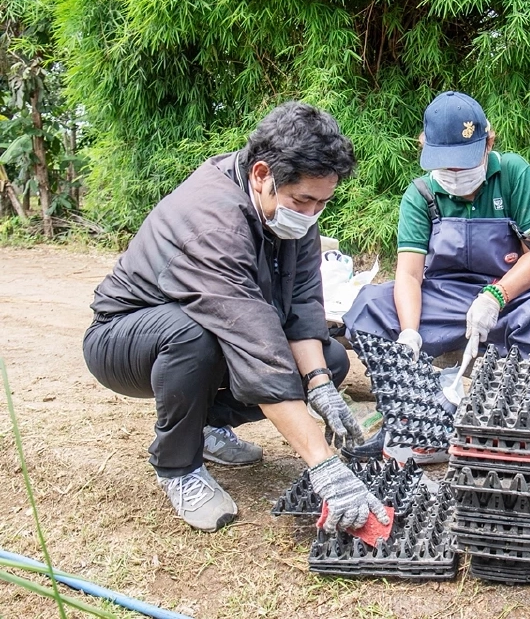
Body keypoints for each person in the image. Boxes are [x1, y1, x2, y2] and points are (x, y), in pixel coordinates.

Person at [83, 102, 388, 534]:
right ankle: (177, 466)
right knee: (193, 336)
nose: (312, 213)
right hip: (125, 337)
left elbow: (302, 302)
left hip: (212, 326)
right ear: (262, 174)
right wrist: (326, 467)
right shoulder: (213, 221)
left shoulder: (294, 214)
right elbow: (254, 344)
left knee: (330, 358)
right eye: (304, 200)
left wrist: (321, 386)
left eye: (322, 202)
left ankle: (208, 428)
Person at [343, 91, 530, 457]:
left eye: (464, 162)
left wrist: (496, 296)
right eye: (447, 164)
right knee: (370, 306)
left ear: (488, 141)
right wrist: (410, 332)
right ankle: (420, 418)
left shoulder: (513, 174)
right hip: (446, 298)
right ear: (424, 148)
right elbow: (410, 276)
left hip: (515, 295)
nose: (457, 174)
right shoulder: (421, 194)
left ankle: (516, 423)